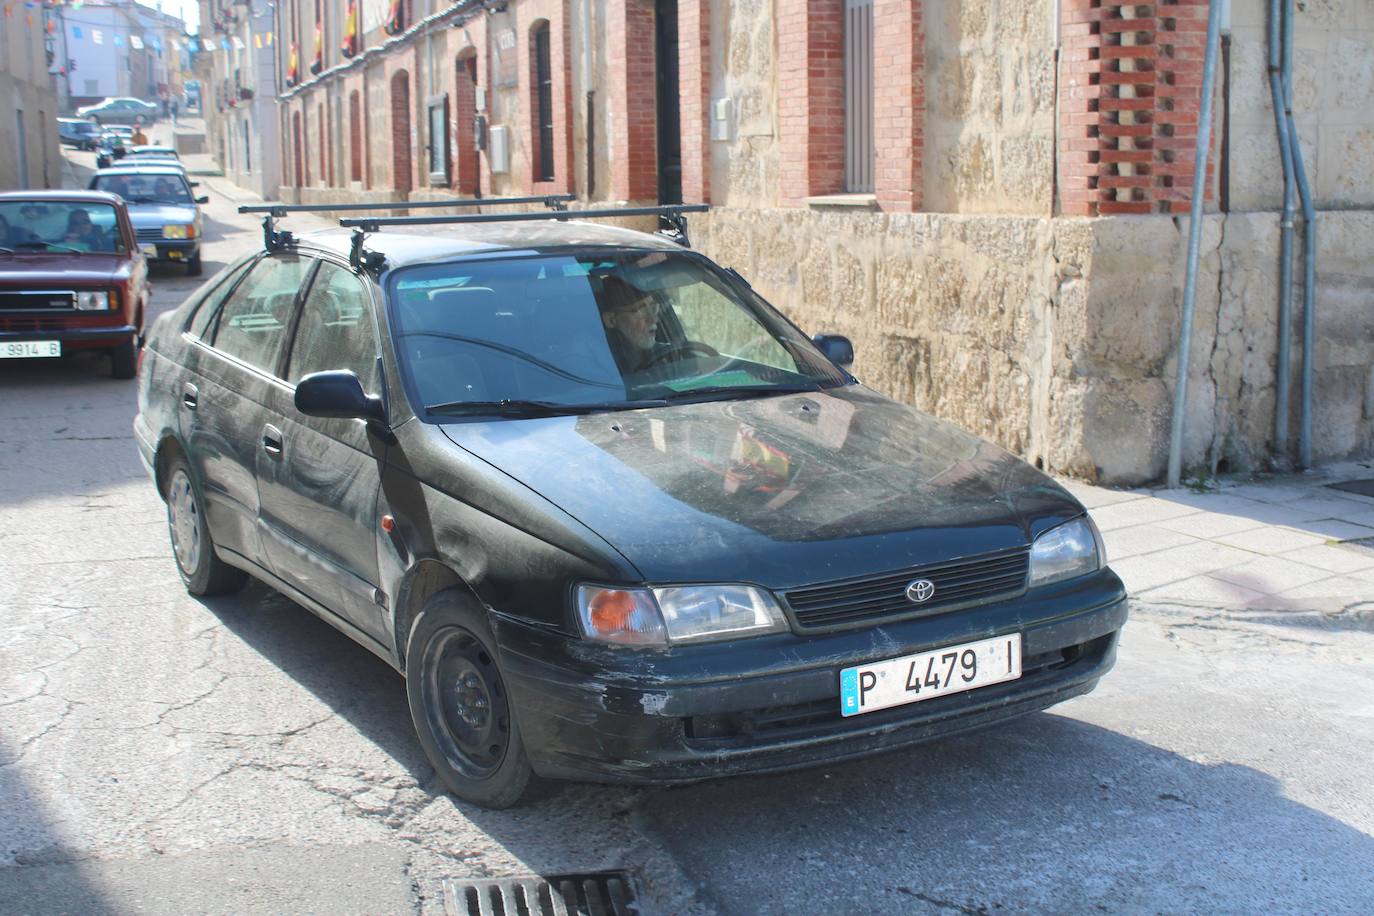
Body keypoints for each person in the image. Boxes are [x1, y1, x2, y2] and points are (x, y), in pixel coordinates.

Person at [597, 276, 664, 375]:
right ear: (611, 320)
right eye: (642, 311)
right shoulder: (597, 366)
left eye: (654, 308)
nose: (654, 319)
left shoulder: (663, 353)